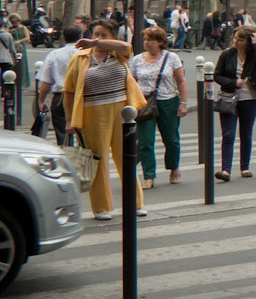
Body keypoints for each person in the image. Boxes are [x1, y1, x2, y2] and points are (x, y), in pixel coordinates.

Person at [61, 20, 146, 220]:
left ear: (112, 36)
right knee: (98, 161)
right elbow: (69, 91)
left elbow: (127, 47)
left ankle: (135, 203)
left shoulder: (117, 53)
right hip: (92, 112)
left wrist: (96, 43)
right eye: (95, 33)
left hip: (121, 112)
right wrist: (69, 120)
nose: (98, 38)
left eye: (103, 34)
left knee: (126, 158)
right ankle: (101, 207)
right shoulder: (80, 58)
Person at [129, 26, 189, 188]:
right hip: (144, 103)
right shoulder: (137, 60)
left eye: (151, 40)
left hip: (168, 101)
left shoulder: (171, 58)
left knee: (171, 139)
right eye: (145, 40)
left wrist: (183, 103)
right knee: (145, 141)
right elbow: (131, 82)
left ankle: (173, 167)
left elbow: (181, 81)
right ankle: (149, 176)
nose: (147, 43)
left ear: (161, 42)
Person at [213, 26, 256, 182]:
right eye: (235, 38)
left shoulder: (253, 55)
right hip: (228, 97)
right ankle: (225, 170)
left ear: (248, 41)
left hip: (249, 98)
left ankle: (245, 167)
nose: (236, 42)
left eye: (241, 39)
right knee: (228, 134)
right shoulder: (227, 55)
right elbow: (217, 75)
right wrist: (233, 82)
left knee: (246, 134)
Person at [34, 24, 84, 139]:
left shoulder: (54, 55)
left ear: (64, 37)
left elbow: (45, 82)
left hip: (60, 96)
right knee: (83, 133)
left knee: (62, 132)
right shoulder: (86, 54)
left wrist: (41, 100)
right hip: (81, 95)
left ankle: (64, 151)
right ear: (80, 37)